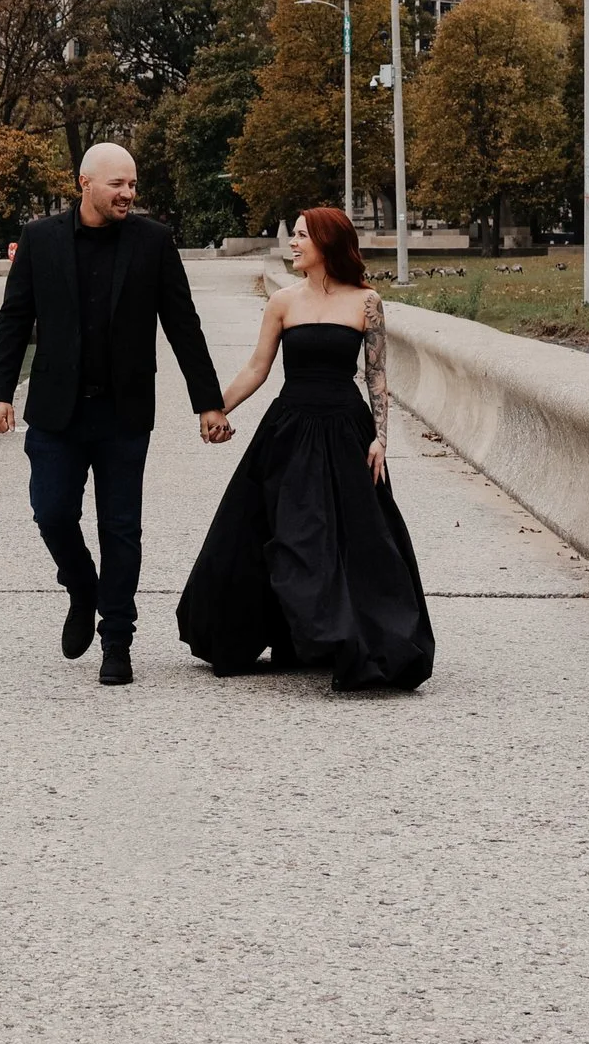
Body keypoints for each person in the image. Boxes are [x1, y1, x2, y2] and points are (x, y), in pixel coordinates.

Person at [0, 143, 232, 686]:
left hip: (123, 413)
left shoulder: (153, 241)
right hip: (56, 413)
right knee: (51, 514)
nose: (128, 193)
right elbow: (14, 319)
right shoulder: (40, 239)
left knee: (121, 529)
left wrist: (207, 402)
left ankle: (117, 638)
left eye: (132, 185)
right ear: (84, 184)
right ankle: (80, 587)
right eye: (118, 184)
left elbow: (182, 325)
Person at [176, 207, 434, 691]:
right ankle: (291, 629)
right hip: (289, 430)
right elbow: (257, 367)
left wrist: (382, 438)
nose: (292, 244)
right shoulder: (283, 302)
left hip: (346, 432)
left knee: (352, 539)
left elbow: (377, 377)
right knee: (279, 532)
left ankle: (344, 634)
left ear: (326, 242)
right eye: (292, 236)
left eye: (300, 236)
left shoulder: (367, 302)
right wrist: (214, 409)